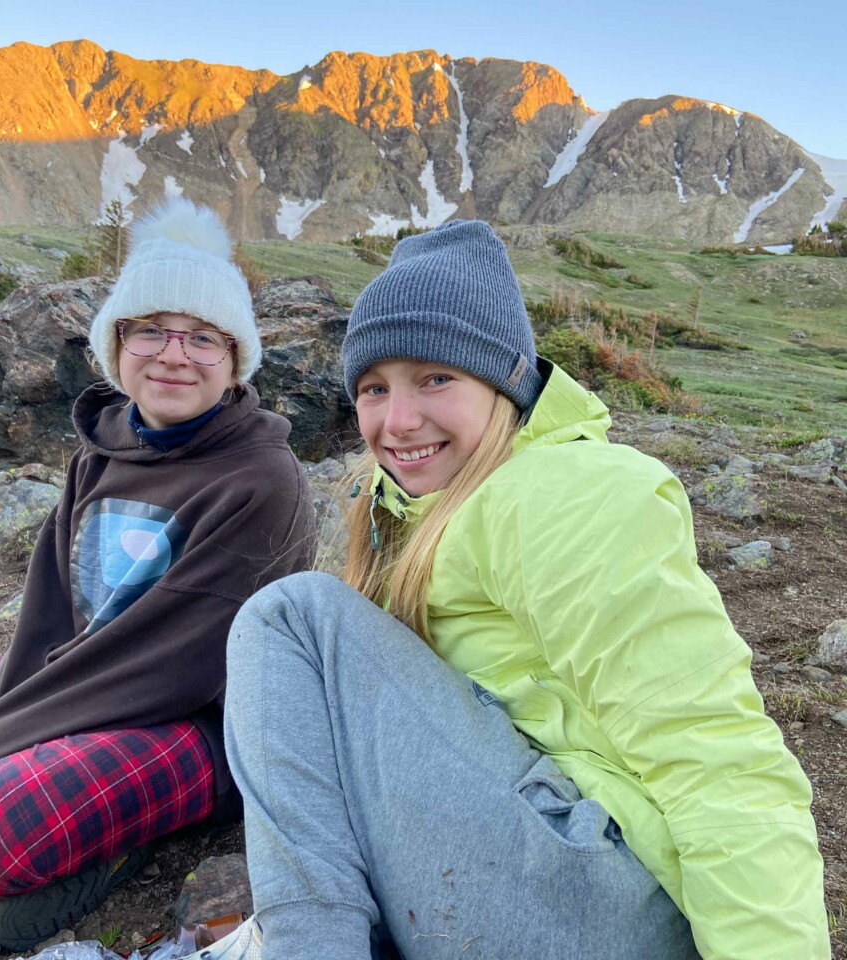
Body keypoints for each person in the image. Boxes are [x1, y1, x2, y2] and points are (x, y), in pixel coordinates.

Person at [222, 220, 830, 959]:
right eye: (374, 388)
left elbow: (715, 755)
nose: (398, 419)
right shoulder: (404, 506)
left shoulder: (563, 494)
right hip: (551, 881)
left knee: (292, 616)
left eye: (436, 377)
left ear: (503, 382)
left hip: (605, 906)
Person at [0, 197, 316, 950]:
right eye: (150, 329)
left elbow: (175, 664)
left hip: (194, 724)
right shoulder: (103, 447)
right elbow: (52, 612)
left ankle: (84, 842)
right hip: (79, 680)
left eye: (203, 337)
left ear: (235, 356)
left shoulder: (262, 481)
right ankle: (43, 827)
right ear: (116, 343)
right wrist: (4, 715)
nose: (173, 354)